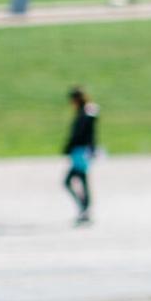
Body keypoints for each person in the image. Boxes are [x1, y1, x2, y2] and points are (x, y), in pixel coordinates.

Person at [63, 87, 99, 225]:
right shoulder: (83, 112)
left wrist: (71, 145)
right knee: (79, 180)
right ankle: (84, 208)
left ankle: (84, 208)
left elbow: (87, 133)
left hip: (82, 151)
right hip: (78, 151)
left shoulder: (87, 112)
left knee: (75, 180)